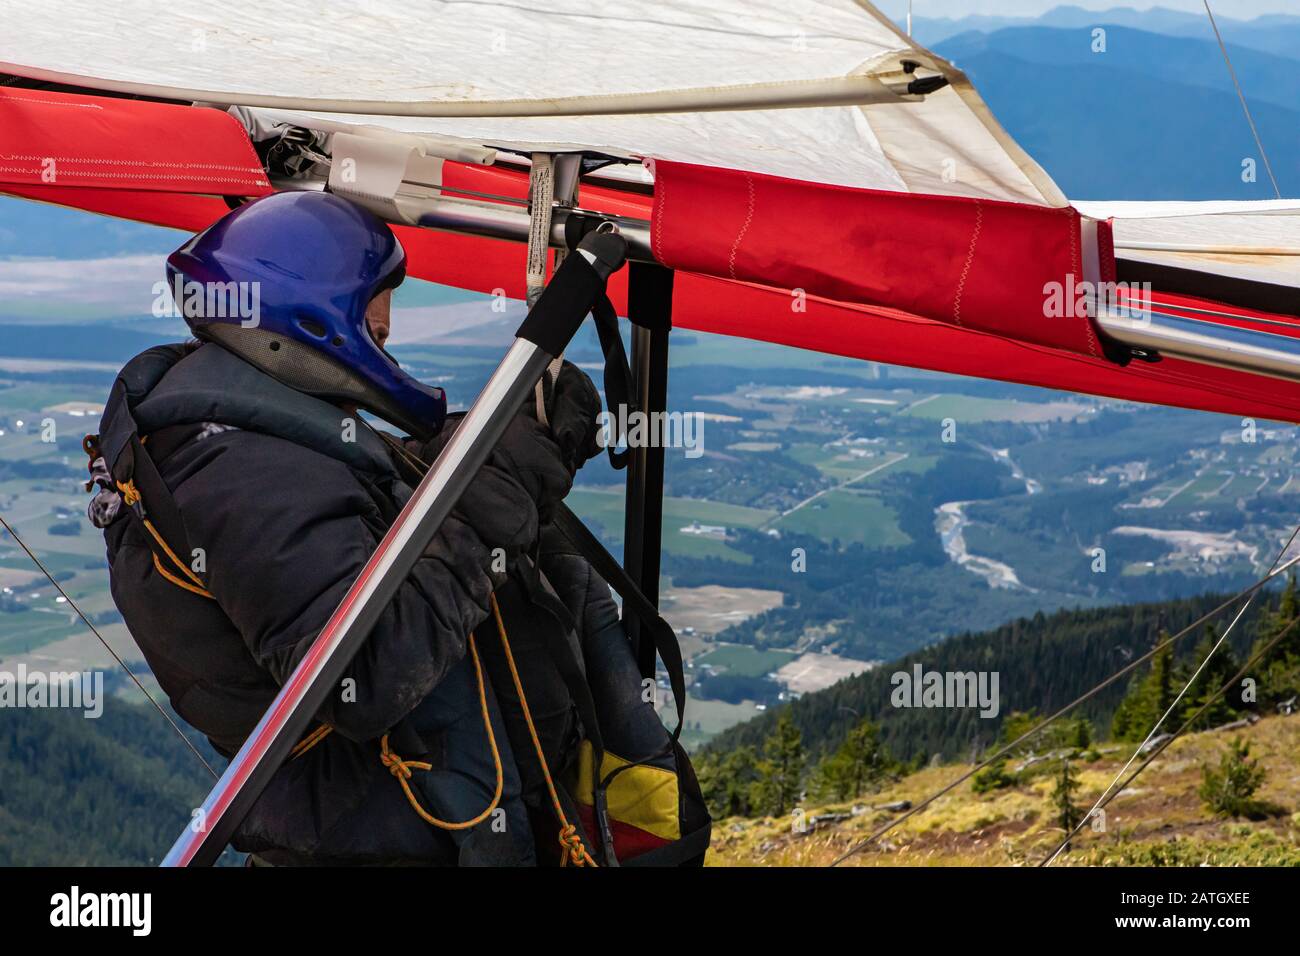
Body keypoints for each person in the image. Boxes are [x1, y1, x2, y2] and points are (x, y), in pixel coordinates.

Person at [86, 190, 708, 866]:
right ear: (312, 309)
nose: (385, 325)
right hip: (387, 835)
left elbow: (366, 499)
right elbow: (366, 670)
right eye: (375, 301)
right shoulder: (234, 469)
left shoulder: (247, 430)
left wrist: (489, 443)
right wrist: (499, 481)